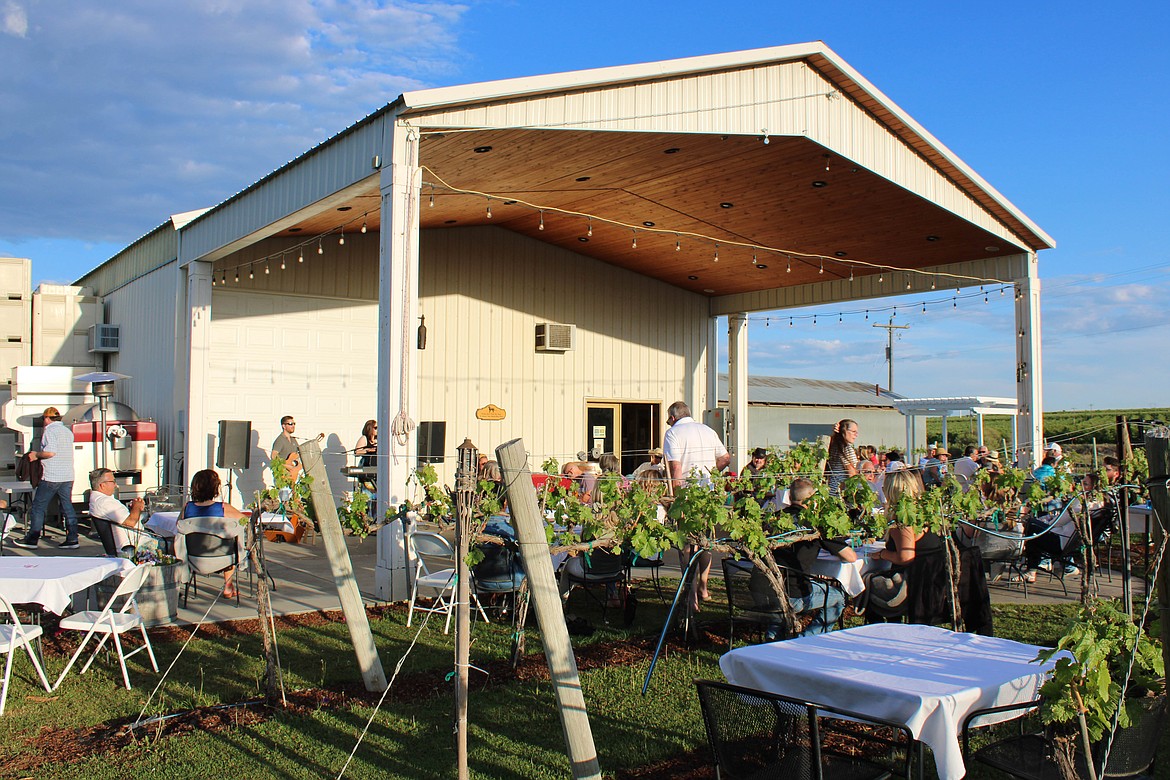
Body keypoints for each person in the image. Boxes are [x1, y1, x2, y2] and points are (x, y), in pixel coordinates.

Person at [757, 478, 855, 638]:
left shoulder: (773, 519)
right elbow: (850, 556)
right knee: (838, 597)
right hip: (796, 594)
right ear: (811, 499)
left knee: (787, 584)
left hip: (766, 591)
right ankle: (808, 638)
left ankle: (773, 633)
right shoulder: (813, 523)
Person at [663, 401, 730, 609]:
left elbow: (675, 468)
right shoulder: (707, 430)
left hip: (687, 495)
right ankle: (704, 587)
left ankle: (691, 594)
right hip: (707, 495)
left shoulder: (673, 433)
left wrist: (675, 497)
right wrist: (710, 473)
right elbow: (726, 458)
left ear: (673, 417)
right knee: (705, 541)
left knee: (686, 546)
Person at [14, 407, 80, 549]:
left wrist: (36, 455)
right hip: (67, 475)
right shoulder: (67, 431)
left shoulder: (50, 431)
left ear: (46, 418)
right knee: (67, 507)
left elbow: (50, 452)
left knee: (38, 507)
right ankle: (73, 538)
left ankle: (32, 539)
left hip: (51, 476)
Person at [177, 469, 248, 598]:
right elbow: (244, 521)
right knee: (230, 539)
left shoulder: (187, 508)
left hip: (194, 560)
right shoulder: (223, 508)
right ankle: (228, 586)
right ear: (215, 488)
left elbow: (178, 527)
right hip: (224, 560)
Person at [87, 467, 146, 555]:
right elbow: (130, 522)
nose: (115, 485)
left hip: (136, 539)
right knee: (172, 541)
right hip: (136, 545)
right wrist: (137, 507)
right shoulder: (105, 502)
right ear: (102, 485)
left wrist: (133, 508)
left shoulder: (98, 499)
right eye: (113, 482)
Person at [824, 419, 860, 496]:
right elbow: (851, 471)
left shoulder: (834, 446)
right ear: (844, 431)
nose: (856, 435)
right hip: (842, 492)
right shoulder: (846, 448)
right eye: (853, 432)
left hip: (832, 490)